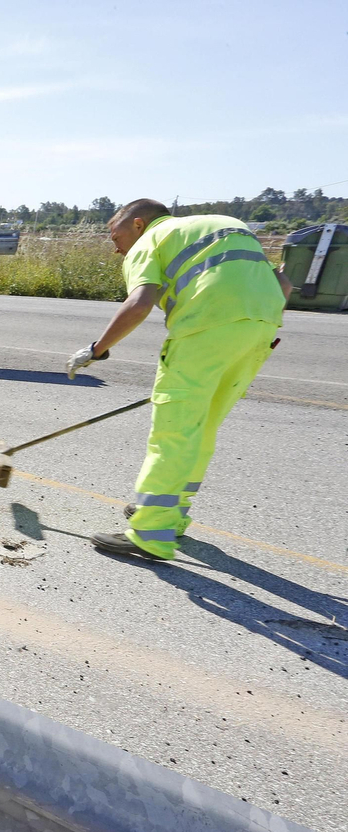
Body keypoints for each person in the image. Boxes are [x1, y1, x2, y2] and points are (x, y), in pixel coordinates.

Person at [67, 199, 291, 562]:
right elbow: (283, 284)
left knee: (173, 432)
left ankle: (151, 533)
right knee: (202, 428)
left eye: (115, 233)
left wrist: (97, 349)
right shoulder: (224, 223)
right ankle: (174, 515)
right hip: (262, 327)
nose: (115, 245)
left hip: (205, 328)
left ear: (138, 224)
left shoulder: (150, 241)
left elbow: (139, 304)